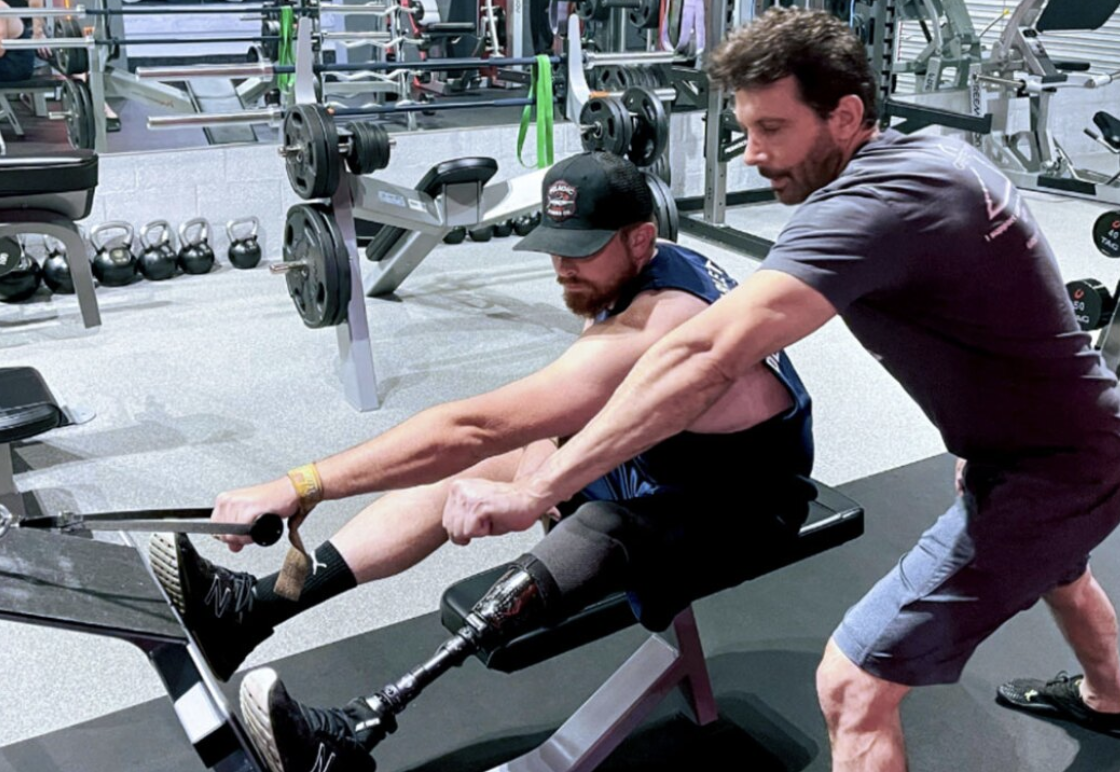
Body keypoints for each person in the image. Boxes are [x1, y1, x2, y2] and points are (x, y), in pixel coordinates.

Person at [445, 9, 1120, 770]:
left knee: (852, 686)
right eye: (746, 130)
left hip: (1052, 470)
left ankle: (1097, 685)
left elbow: (706, 353)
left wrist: (539, 484)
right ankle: (1107, 700)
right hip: (1080, 435)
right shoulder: (934, 159)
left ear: (844, 116)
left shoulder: (867, 208)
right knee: (1061, 569)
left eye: (772, 130)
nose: (751, 156)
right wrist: (993, 438)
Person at [154, 151, 815, 771]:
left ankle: (348, 735)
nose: (563, 269)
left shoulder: (659, 321)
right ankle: (249, 610)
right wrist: (532, 472)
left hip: (741, 502)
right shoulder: (641, 266)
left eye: (581, 252)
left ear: (639, 239)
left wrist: (301, 485)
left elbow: (471, 425)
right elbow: (551, 414)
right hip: (665, 459)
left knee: (595, 525)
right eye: (556, 249)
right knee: (472, 474)